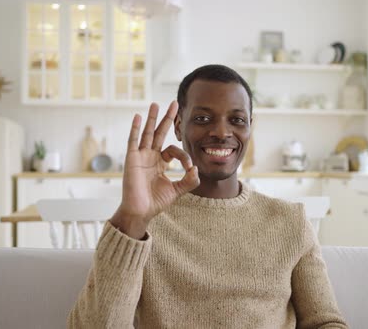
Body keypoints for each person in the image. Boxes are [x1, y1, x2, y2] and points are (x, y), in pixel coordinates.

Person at [67, 65, 348, 328]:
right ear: (178, 126)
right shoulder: (143, 227)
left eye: (236, 120)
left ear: (250, 127)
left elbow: (326, 323)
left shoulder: (290, 221)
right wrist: (132, 218)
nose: (221, 132)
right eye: (202, 119)